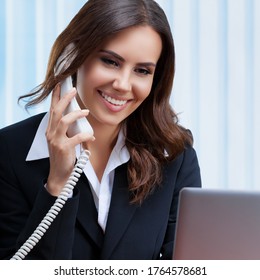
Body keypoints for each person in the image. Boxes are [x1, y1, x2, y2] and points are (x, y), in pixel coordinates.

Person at [0, 0, 201, 260]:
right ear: (71, 59)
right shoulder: (9, 153)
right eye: (110, 61)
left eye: (142, 70)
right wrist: (58, 184)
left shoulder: (174, 155)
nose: (123, 84)